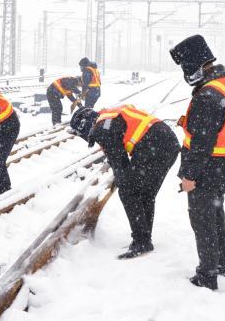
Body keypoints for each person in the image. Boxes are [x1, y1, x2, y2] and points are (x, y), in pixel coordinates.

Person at [169, 34, 225, 291]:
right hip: (223, 164)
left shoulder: (207, 95)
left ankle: (207, 275)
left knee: (203, 222)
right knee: (216, 217)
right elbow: (214, 128)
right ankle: (220, 265)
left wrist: (189, 176)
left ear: (195, 66)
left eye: (185, 67)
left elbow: (202, 142)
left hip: (206, 168)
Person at [70, 105, 179, 259]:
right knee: (146, 194)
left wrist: (122, 179)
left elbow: (120, 163)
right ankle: (144, 239)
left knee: (128, 192)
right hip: (168, 144)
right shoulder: (109, 116)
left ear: (84, 125)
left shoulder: (102, 128)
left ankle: (141, 241)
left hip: (154, 147)